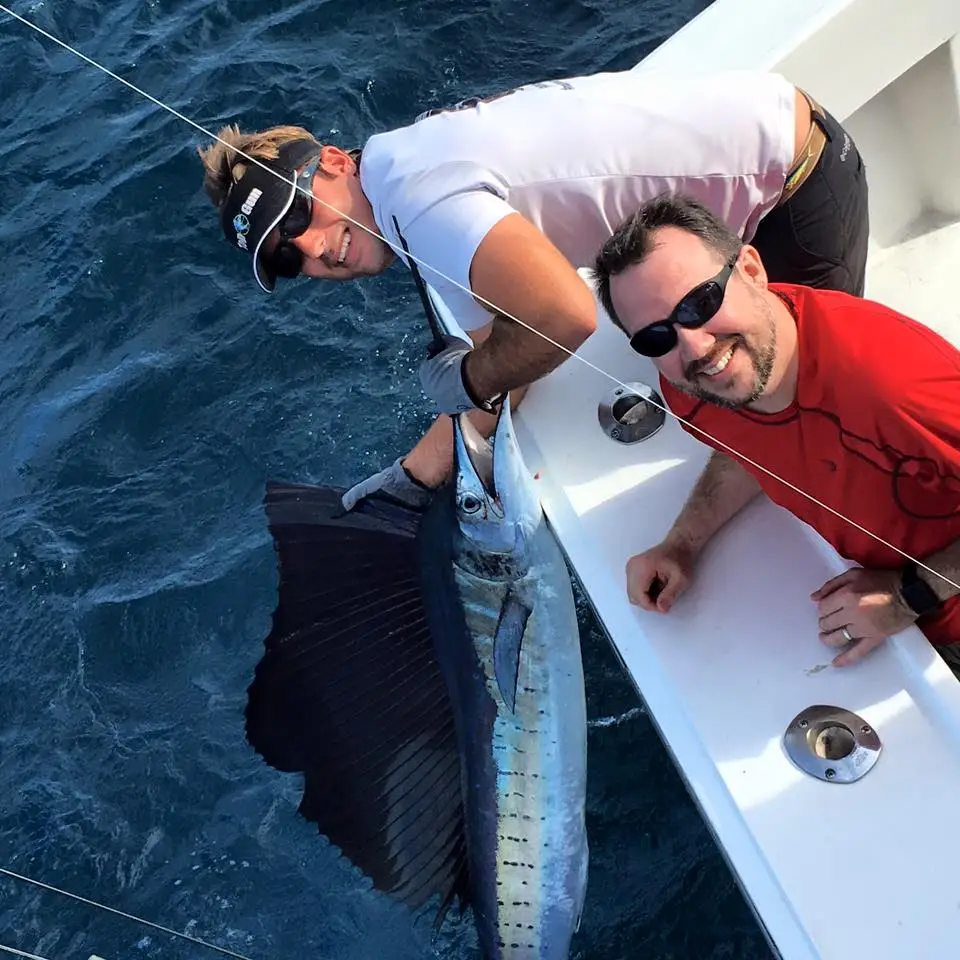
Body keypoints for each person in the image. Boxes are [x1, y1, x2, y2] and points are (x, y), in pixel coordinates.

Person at [196, 68, 868, 507]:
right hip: (752, 163)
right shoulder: (402, 184)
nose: (312, 247)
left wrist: (465, 381)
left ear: (336, 163)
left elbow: (561, 318)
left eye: (300, 214)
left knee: (801, 428)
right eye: (288, 258)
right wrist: (417, 477)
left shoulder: (416, 198)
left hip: (793, 188)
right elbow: (502, 354)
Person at [592, 194, 960, 669]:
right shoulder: (689, 382)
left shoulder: (892, 382)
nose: (696, 347)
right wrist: (682, 543)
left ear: (750, 269)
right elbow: (744, 449)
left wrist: (910, 597)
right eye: (655, 336)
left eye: (700, 302)